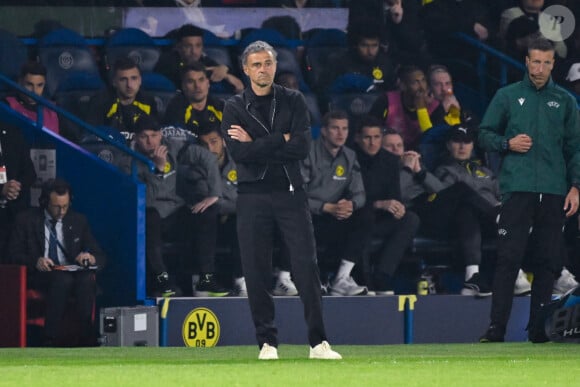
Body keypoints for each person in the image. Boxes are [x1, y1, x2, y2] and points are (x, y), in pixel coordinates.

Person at [221, 40, 341, 360]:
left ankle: (318, 343)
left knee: (306, 268)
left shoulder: (294, 100)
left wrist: (259, 141)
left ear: (275, 66)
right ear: (245, 70)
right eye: (257, 64)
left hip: (291, 193)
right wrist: (280, 140)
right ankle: (267, 343)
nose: (264, 69)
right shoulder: (233, 106)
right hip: (252, 196)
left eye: (269, 63)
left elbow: (301, 147)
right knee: (257, 270)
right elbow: (239, 153)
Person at [478, 38, 580, 343]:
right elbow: (483, 134)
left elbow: (575, 148)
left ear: (553, 64)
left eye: (545, 62)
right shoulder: (507, 96)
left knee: (548, 261)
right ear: (526, 61)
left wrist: (576, 187)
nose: (539, 68)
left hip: (553, 191)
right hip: (517, 188)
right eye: (534, 61)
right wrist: (506, 144)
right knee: (509, 258)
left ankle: (538, 330)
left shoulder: (564, 101)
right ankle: (496, 329)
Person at [126, 114, 227, 297]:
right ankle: (162, 280)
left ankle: (205, 279)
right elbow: (147, 200)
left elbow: (208, 158)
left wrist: (214, 194)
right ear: (135, 138)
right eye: (144, 136)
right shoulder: (128, 160)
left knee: (207, 212)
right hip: (150, 216)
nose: (151, 141)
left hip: (175, 213)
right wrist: (159, 169)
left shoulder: (174, 147)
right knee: (150, 216)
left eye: (155, 135)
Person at [8, 178, 106, 346]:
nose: (62, 212)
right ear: (45, 202)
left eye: (65, 206)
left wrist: (90, 258)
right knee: (62, 279)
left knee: (86, 278)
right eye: (57, 207)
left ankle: (86, 336)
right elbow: (12, 255)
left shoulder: (78, 221)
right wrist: (35, 261)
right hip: (40, 275)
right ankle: (50, 338)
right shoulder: (26, 220)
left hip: (71, 273)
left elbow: (99, 254)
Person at [300, 110, 371, 296]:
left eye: (344, 129)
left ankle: (342, 278)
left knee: (365, 215)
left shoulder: (350, 156)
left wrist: (350, 205)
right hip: (309, 216)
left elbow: (360, 193)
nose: (340, 134)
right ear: (323, 131)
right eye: (335, 128)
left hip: (336, 215)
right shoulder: (307, 153)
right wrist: (325, 207)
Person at [353, 115, 420, 295]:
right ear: (358, 138)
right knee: (363, 219)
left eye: (376, 137)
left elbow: (394, 195)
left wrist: (398, 207)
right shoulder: (350, 158)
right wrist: (378, 204)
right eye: (367, 137)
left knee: (410, 219)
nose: (372, 142)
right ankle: (363, 278)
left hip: (380, 219)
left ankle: (382, 275)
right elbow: (349, 198)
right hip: (355, 218)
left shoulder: (389, 160)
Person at [197, 125, 246, 297]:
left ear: (224, 142)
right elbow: (206, 201)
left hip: (232, 219)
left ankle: (242, 280)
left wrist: (222, 201)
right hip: (205, 223)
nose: (210, 148)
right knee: (207, 215)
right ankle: (205, 279)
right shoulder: (197, 166)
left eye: (214, 142)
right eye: (204, 144)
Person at [369, 65, 447, 151]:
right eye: (415, 83)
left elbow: (432, 140)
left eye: (423, 80)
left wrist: (421, 110)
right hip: (389, 150)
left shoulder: (435, 107)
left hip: (421, 155)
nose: (421, 87)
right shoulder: (386, 100)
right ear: (403, 86)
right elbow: (371, 129)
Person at [154, 24, 243, 93]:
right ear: (179, 47)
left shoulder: (204, 59)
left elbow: (238, 84)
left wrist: (225, 70)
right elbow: (182, 75)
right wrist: (216, 71)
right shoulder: (167, 60)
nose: (194, 51)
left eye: (198, 46)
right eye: (188, 46)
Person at [85, 57, 158, 141]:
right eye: (123, 79)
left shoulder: (148, 102)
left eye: (134, 78)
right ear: (114, 82)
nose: (129, 85)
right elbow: (91, 136)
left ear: (140, 80)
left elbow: (155, 135)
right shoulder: (100, 102)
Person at [323, 19, 398, 93]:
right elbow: (325, 92)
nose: (370, 51)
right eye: (364, 45)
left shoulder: (385, 64)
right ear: (355, 45)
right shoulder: (338, 62)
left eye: (374, 45)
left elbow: (393, 94)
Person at [0, 120, 37, 263]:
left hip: (14, 214)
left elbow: (30, 173)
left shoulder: (12, 133)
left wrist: (16, 187)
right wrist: (2, 188)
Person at [162, 62, 224, 133]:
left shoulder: (220, 106)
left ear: (208, 83)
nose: (197, 86)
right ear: (183, 86)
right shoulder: (175, 108)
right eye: (191, 81)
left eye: (201, 80)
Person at [4, 62, 59, 134]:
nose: (34, 91)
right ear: (20, 82)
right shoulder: (7, 104)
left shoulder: (52, 109)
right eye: (29, 84)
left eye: (40, 85)